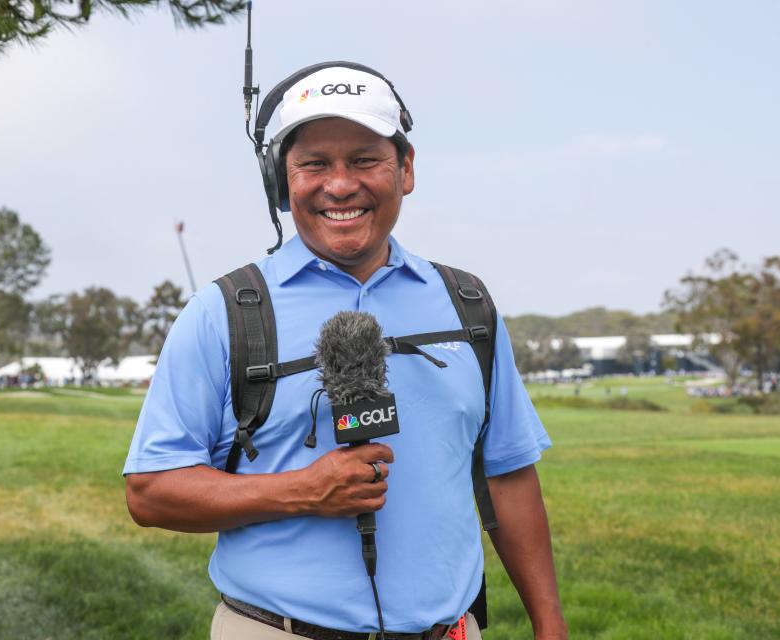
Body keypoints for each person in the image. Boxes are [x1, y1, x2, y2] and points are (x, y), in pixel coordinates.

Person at [123, 64, 567, 640]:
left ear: (405, 170)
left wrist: (550, 626)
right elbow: (151, 492)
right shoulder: (222, 313)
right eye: (314, 164)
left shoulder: (468, 304)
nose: (340, 185)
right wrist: (301, 490)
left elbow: (508, 474)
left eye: (364, 159)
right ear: (280, 182)